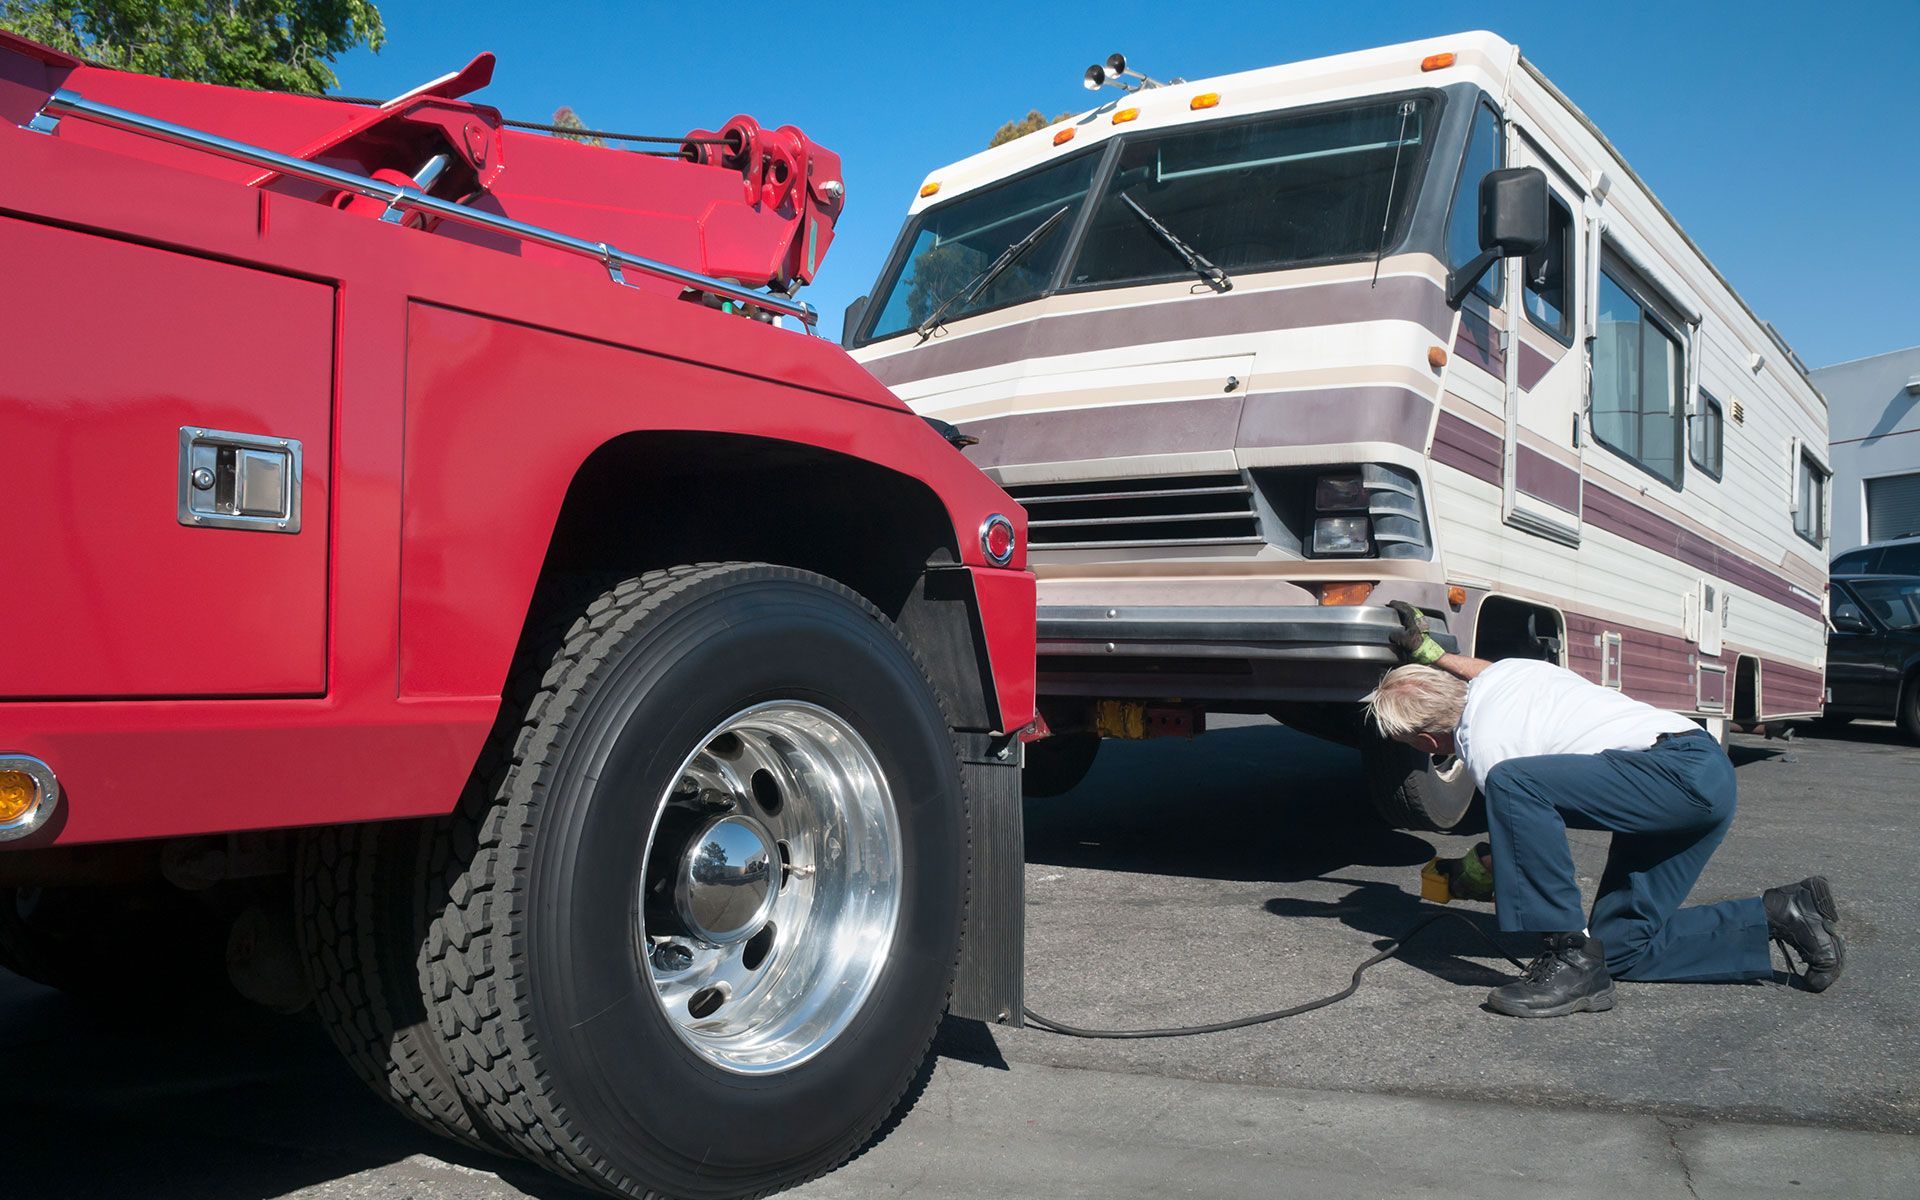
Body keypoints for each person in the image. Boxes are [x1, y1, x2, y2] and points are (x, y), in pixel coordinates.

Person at [1365, 602, 1845, 1018]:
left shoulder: (1492, 753)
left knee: (1515, 786)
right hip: (1692, 772)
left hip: (1675, 777)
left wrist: (1467, 874)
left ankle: (1570, 959)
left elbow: (1517, 853)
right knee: (1620, 952)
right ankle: (1780, 915)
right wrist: (1432, 653)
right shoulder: (1511, 673)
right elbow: (1474, 669)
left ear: (1429, 743)